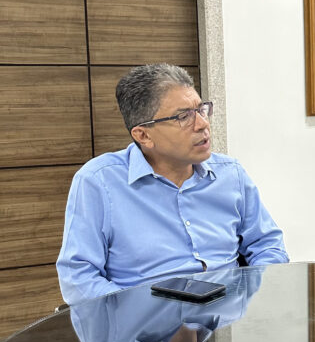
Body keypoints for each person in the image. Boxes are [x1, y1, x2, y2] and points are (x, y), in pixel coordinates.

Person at [57, 63, 288, 304]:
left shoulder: (230, 174)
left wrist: (252, 298)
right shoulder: (99, 182)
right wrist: (136, 314)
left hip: (229, 315)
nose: (202, 124)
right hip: (146, 322)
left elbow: (267, 245)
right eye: (183, 116)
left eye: (201, 109)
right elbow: (78, 278)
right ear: (143, 135)